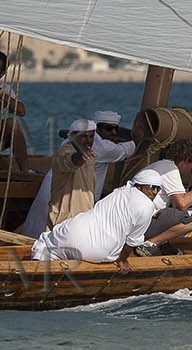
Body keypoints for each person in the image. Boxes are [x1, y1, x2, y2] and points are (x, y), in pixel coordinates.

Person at [31, 167, 182, 268]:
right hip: (96, 252)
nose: (154, 191)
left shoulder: (120, 191)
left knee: (45, 241)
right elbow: (132, 242)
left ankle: (35, 263)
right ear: (140, 186)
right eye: (151, 187)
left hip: (69, 234)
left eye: (157, 188)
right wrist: (122, 261)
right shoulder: (147, 207)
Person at [19, 118, 97, 238]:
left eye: (91, 136)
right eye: (84, 136)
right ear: (74, 137)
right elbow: (72, 161)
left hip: (84, 218)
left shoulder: (90, 156)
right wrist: (80, 156)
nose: (88, 140)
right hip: (65, 219)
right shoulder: (64, 153)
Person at [144, 140, 192, 245]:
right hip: (144, 222)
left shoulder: (159, 165)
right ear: (185, 161)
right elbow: (183, 204)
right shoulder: (170, 169)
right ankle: (150, 244)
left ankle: (161, 243)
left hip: (138, 219)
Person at [89, 110, 138, 198]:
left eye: (116, 129)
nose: (114, 133)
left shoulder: (86, 140)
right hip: (88, 197)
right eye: (109, 129)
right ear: (97, 128)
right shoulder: (104, 148)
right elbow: (127, 149)